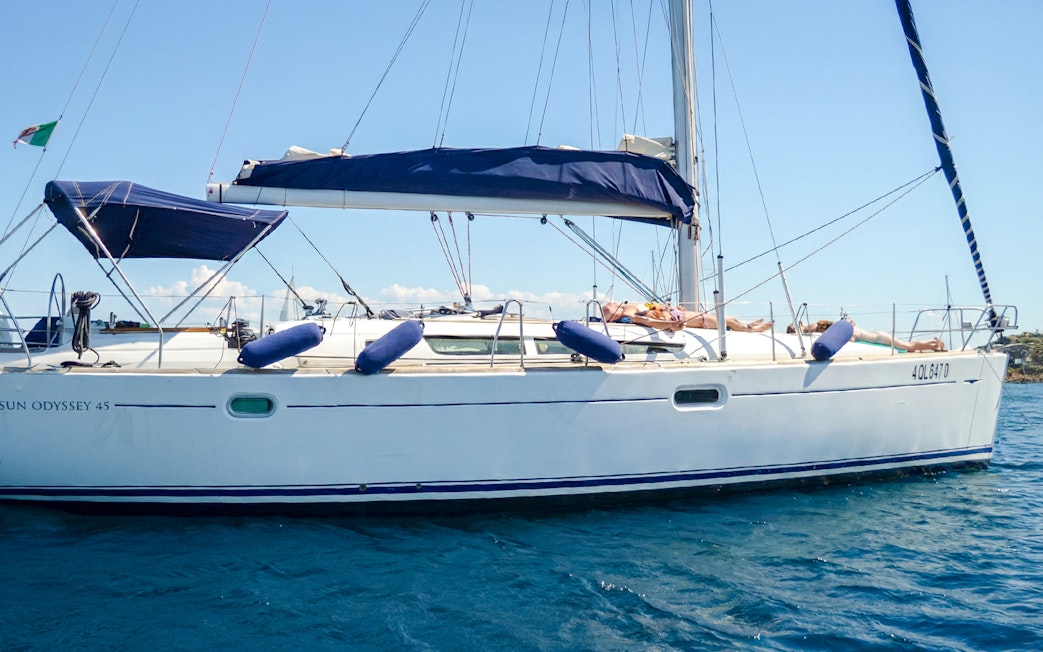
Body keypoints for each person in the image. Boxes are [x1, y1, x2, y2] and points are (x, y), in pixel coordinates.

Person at [602, 301, 772, 332]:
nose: (607, 305)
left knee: (728, 318)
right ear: (612, 317)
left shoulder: (627, 305)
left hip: (677, 312)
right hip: (687, 320)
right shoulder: (628, 315)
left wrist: (668, 307)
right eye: (606, 310)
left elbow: (653, 306)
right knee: (726, 321)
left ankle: (749, 324)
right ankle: (752, 330)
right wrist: (670, 326)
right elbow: (647, 321)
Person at [788, 318, 945, 352]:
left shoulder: (847, 331)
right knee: (908, 346)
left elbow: (851, 338)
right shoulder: (845, 328)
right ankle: (932, 343)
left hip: (880, 337)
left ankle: (934, 344)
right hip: (879, 336)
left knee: (908, 347)